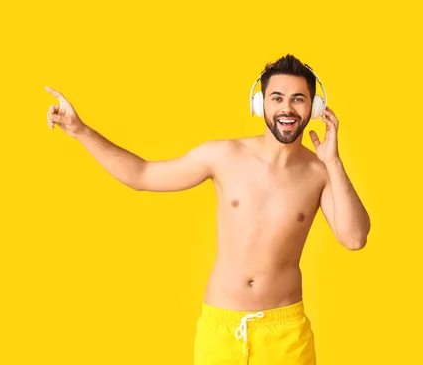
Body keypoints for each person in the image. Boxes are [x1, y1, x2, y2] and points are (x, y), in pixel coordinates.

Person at [44, 54, 370, 364]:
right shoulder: (223, 156)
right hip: (221, 330)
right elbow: (141, 175)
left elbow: (354, 238)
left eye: (298, 98)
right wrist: (80, 131)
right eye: (277, 97)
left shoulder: (320, 172)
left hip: (285, 334)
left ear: (314, 106)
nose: (287, 107)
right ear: (260, 103)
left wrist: (334, 161)